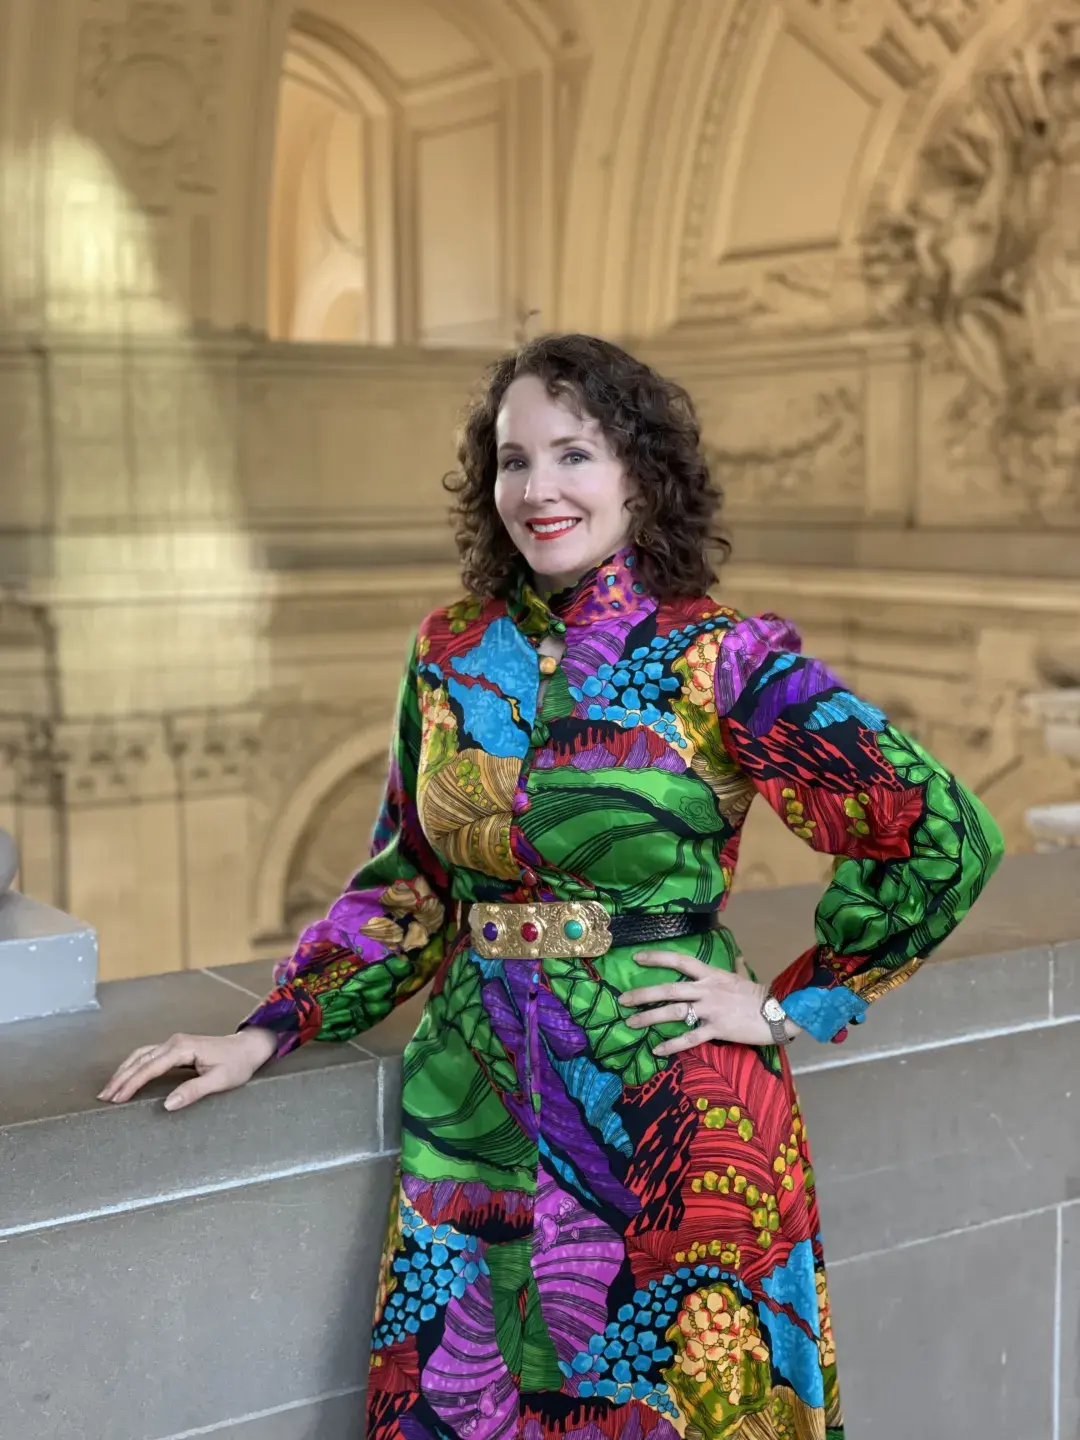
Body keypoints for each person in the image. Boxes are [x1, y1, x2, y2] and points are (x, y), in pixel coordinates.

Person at [101, 334, 1004, 1439]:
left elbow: (940, 832)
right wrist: (272, 1028)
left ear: (639, 472)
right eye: (512, 459)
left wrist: (788, 1002)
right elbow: (413, 882)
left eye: (573, 453)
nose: (539, 489)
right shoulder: (449, 652)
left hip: (677, 1114)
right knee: (466, 1402)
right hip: (470, 1113)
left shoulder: (720, 657)